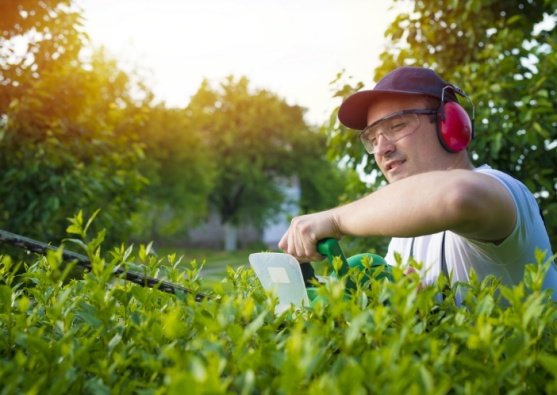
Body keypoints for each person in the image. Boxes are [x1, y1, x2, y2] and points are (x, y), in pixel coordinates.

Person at [278, 66, 557, 299]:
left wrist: (336, 220)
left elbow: (456, 196)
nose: (381, 148)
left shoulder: (501, 191)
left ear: (451, 125)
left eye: (396, 126)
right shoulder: (407, 229)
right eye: (372, 139)